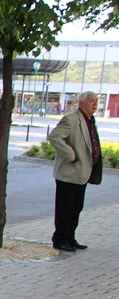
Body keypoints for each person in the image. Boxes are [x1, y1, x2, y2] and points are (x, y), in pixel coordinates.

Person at [48, 91, 102, 251]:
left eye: (96, 101)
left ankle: (70, 238)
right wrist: (70, 154)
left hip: (82, 173)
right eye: (91, 101)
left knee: (76, 208)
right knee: (65, 209)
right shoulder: (71, 119)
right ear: (82, 102)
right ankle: (60, 239)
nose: (95, 104)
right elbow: (54, 137)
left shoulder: (90, 120)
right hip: (68, 173)